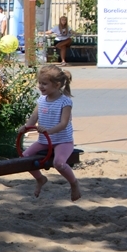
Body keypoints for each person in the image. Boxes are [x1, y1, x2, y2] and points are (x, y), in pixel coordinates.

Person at [21, 64, 81, 202]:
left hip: (63, 141)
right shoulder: (42, 100)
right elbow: (34, 117)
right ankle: (40, 178)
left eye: (44, 84)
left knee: (59, 163)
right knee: (24, 158)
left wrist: (49, 131)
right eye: (40, 83)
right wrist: (26, 127)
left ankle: (74, 183)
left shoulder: (65, 102)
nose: (40, 86)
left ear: (57, 85)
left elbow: (63, 123)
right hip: (44, 141)